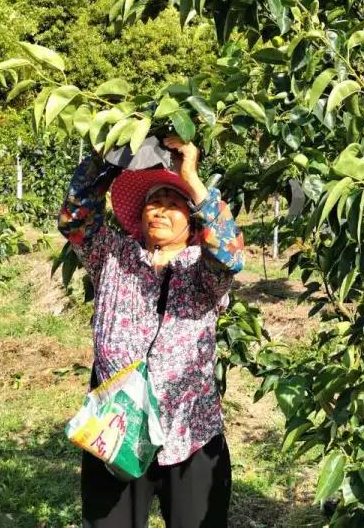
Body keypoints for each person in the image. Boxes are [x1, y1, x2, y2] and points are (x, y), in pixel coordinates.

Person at [58, 135, 245, 528]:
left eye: (173, 205)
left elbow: (230, 251)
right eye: (153, 203)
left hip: (188, 430)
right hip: (115, 428)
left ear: (192, 220)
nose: (159, 211)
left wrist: (191, 180)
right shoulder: (113, 255)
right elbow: (75, 221)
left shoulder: (203, 269)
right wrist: (105, 156)